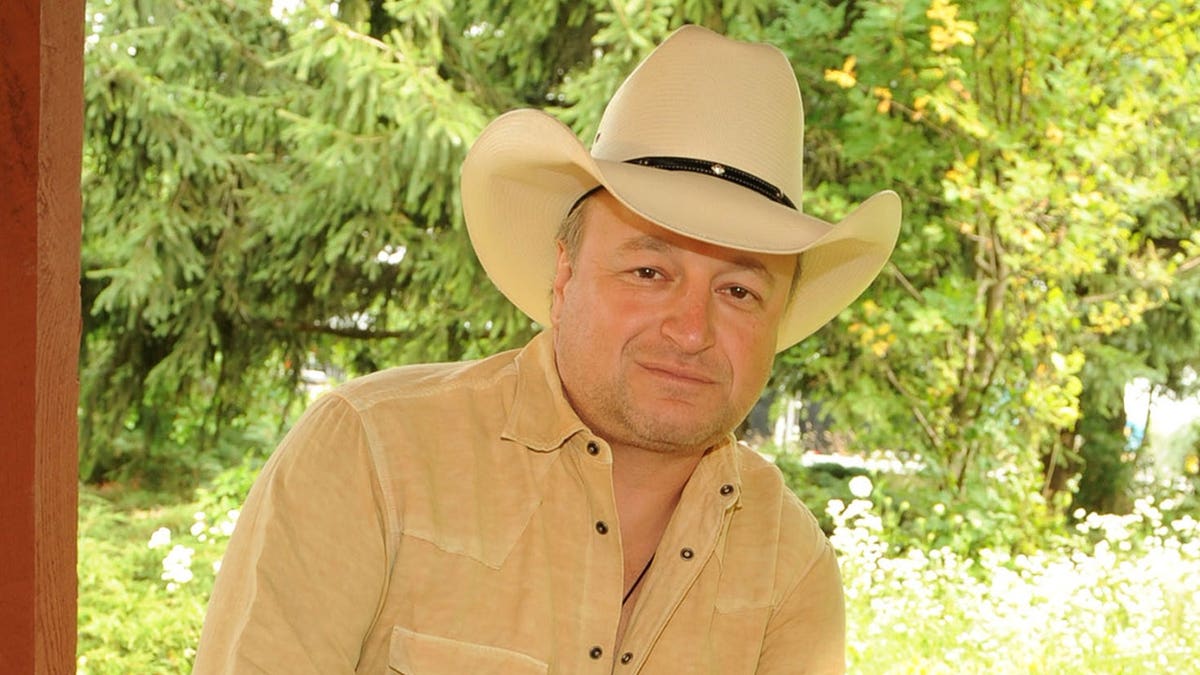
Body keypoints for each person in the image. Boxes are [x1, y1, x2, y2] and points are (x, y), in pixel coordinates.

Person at [193, 24, 900, 674]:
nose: (691, 331)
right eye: (648, 272)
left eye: (739, 291)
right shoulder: (372, 454)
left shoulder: (788, 563)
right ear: (565, 275)